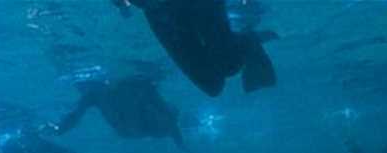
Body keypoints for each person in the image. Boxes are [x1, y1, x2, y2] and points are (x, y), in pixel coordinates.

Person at [116, 0, 278, 97]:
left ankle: (248, 42)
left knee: (228, 66)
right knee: (211, 85)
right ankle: (248, 42)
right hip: (158, 10)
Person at [52, 74, 190, 152]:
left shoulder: (146, 100)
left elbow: (77, 113)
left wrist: (60, 128)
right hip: (124, 90)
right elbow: (76, 113)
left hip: (115, 93)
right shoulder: (147, 94)